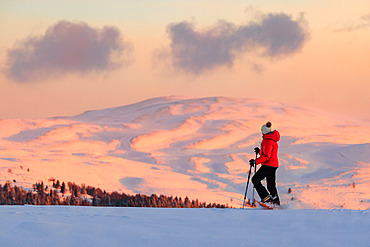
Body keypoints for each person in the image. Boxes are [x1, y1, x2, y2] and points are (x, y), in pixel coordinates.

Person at [250, 121, 281, 205]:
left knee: (255, 179)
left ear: (264, 131)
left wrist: (255, 161)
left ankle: (266, 198)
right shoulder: (271, 139)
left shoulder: (267, 141)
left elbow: (266, 157)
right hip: (273, 165)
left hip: (268, 165)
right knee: (271, 185)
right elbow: (267, 154)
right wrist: (260, 151)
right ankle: (276, 202)